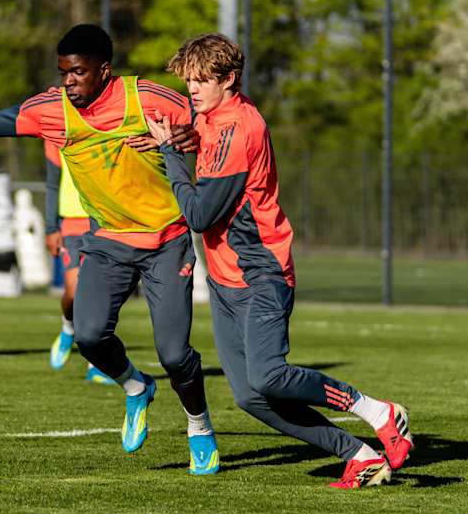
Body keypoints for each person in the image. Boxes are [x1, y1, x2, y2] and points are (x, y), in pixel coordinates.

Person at [0, 24, 219, 475]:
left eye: (78, 72)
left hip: (167, 240)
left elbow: (215, 122)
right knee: (88, 336)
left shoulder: (149, 99)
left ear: (104, 71)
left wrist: (195, 138)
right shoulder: (53, 109)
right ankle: (134, 386)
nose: (68, 82)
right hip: (108, 240)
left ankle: (199, 426)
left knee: (173, 353)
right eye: (63, 72)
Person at [146, 33, 413, 489]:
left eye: (202, 80)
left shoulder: (238, 128)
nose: (192, 89)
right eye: (189, 79)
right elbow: (202, 143)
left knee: (269, 375)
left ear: (229, 80)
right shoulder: (212, 116)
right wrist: (181, 139)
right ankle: (360, 456)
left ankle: (377, 410)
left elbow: (198, 213)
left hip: (260, 272)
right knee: (251, 396)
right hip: (226, 281)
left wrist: (170, 154)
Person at [44, 148, 114, 385]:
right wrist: (50, 227)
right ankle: (68, 327)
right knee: (73, 292)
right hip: (72, 225)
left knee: (96, 293)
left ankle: (96, 365)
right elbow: (53, 184)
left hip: (104, 221)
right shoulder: (56, 132)